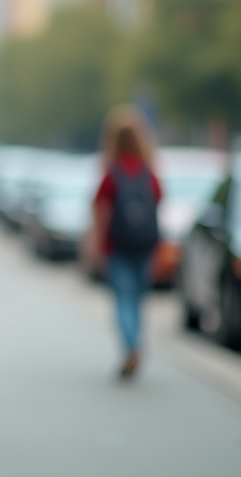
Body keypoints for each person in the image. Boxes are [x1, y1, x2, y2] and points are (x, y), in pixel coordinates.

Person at [92, 105, 162, 379]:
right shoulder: (149, 173)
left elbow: (102, 215)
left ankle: (131, 346)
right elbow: (158, 208)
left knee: (123, 298)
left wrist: (97, 246)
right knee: (138, 298)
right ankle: (136, 344)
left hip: (118, 246)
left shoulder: (111, 175)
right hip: (145, 244)